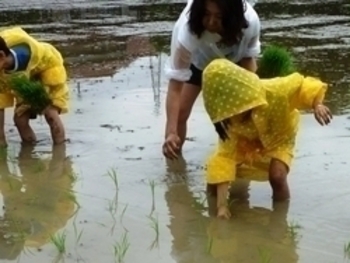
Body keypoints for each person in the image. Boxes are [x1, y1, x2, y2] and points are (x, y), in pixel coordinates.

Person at [201, 58, 332, 219]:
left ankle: (280, 218)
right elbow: (225, 158)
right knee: (214, 180)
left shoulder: (276, 91)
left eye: (239, 110)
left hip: (280, 134)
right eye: (229, 112)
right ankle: (212, 208)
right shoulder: (230, 122)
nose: (235, 115)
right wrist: (221, 207)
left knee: (277, 176)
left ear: (245, 96)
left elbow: (302, 84)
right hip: (246, 141)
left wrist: (317, 104)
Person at [162, 0, 261, 159]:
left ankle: (241, 164)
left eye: (218, 16)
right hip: (198, 61)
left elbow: (248, 60)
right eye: (206, 14)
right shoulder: (187, 32)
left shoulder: (250, 23)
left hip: (232, 61)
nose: (211, 22)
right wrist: (171, 132)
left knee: (241, 115)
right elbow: (175, 85)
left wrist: (255, 101)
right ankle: (176, 166)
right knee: (180, 113)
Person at [0, 26, 69, 146]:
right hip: (23, 79)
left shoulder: (28, 54)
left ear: (1, 56)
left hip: (48, 68)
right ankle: (29, 151)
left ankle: (59, 153)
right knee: (20, 119)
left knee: (50, 113)